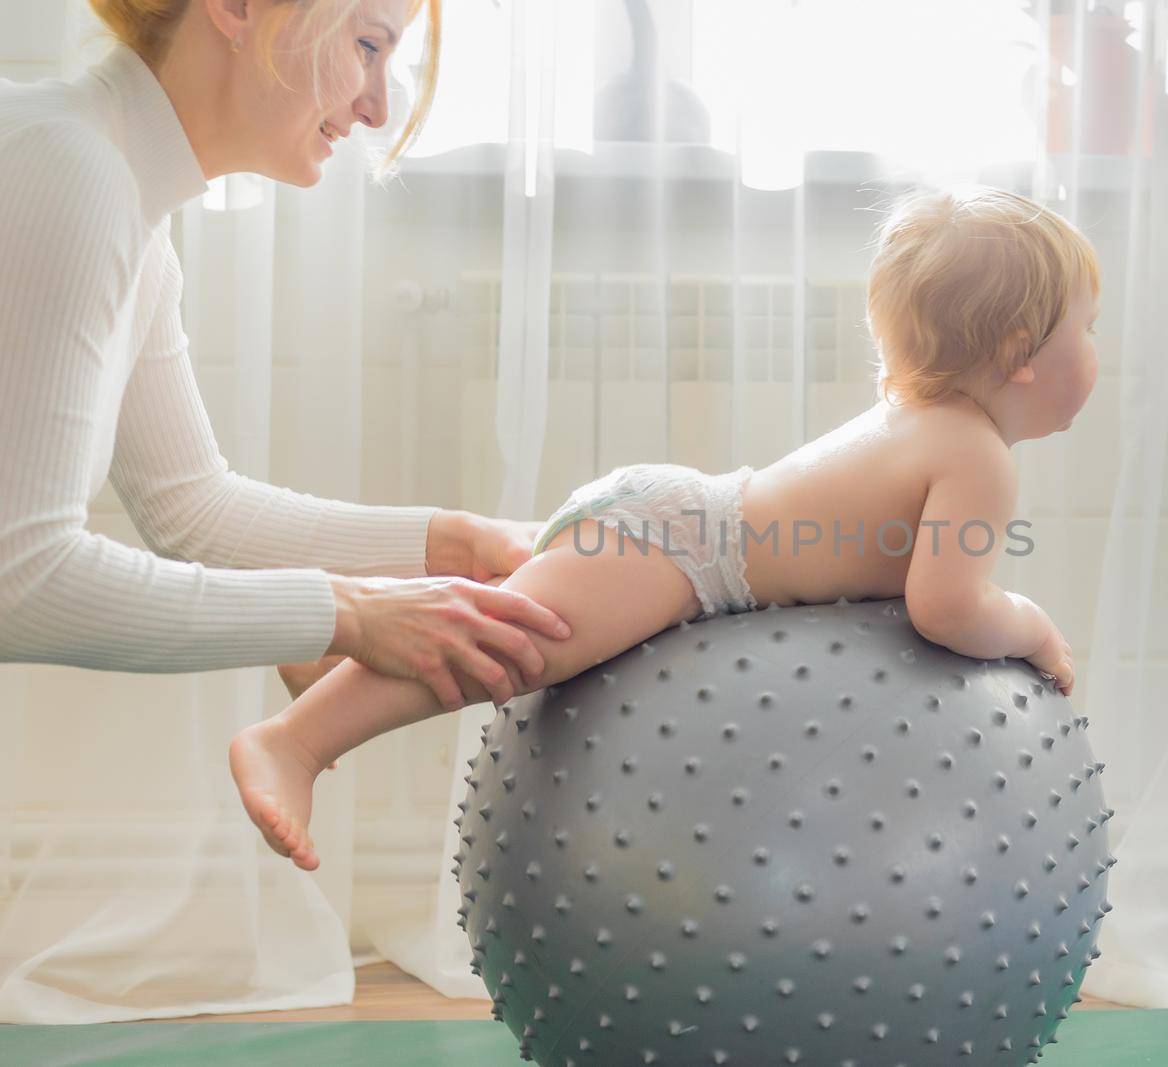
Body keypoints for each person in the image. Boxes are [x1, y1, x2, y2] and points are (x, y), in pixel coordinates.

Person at [232, 185, 1100, 871]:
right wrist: (1033, 624)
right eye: (1086, 330)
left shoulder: (919, 418)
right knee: (502, 649)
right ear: (1023, 350)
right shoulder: (978, 455)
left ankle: (336, 672)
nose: (1096, 351)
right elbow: (946, 606)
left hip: (671, 527)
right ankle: (295, 743)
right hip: (682, 553)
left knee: (500, 619)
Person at [0, 0, 574, 857]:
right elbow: (22, 581)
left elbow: (195, 511)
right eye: (367, 45)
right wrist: (349, 612)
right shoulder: (65, 169)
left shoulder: (116, 198)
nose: (380, 107)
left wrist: (449, 544)